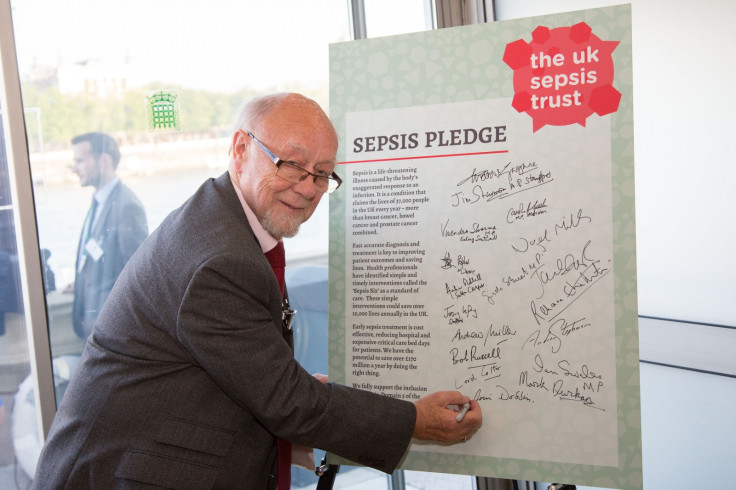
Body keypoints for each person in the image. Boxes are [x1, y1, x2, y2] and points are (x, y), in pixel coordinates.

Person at [32, 93, 482, 489]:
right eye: (290, 163)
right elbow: (287, 403)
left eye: (323, 174)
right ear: (241, 148)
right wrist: (415, 420)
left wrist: (290, 388)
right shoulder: (219, 259)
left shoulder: (222, 218)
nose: (307, 187)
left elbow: (256, 378)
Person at [64, 132, 148, 338]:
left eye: (81, 161)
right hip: (95, 328)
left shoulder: (126, 205)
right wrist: (82, 280)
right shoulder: (99, 201)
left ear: (104, 161)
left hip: (113, 332)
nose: (75, 169)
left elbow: (137, 274)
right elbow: (103, 257)